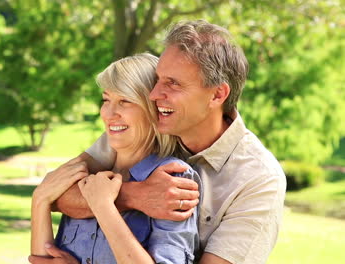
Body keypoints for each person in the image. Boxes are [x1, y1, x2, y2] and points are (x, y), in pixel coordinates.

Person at [48, 20, 287, 264]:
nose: (154, 95)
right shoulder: (150, 127)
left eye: (173, 83)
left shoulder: (259, 180)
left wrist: (107, 199)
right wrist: (134, 196)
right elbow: (57, 193)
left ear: (217, 94)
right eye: (158, 79)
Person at [30, 53, 202, 263]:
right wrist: (39, 201)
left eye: (125, 101)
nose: (109, 113)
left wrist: (103, 206)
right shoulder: (87, 174)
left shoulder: (173, 177)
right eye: (106, 99)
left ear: (153, 109)